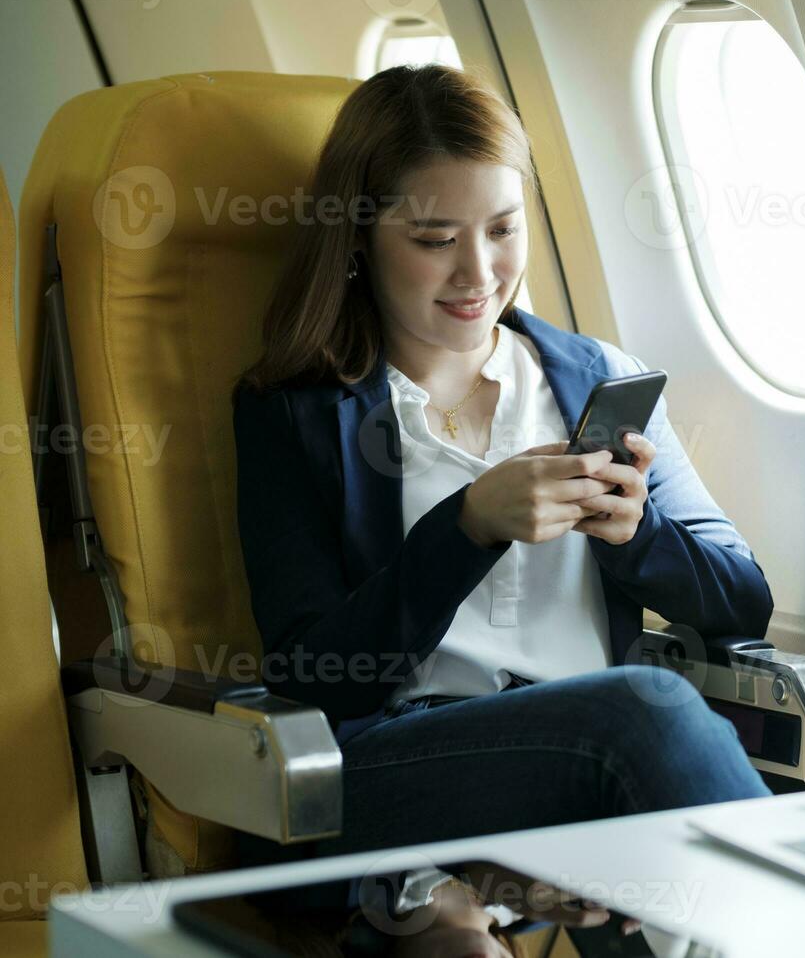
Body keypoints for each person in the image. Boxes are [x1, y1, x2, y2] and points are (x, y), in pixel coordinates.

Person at [231, 64, 772, 866]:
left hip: (591, 754)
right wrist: (467, 527)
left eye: (503, 229)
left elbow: (744, 602)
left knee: (653, 835)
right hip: (398, 765)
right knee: (646, 711)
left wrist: (638, 535)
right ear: (357, 238)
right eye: (435, 240)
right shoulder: (293, 411)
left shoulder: (596, 377)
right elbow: (314, 675)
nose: (478, 273)